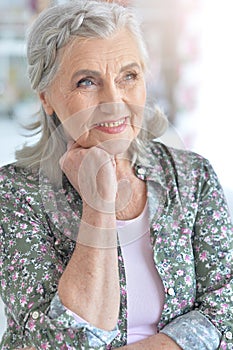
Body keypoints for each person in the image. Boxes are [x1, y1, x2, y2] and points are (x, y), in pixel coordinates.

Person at [0, 1, 232, 349]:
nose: (114, 101)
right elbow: (60, 341)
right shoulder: (15, 193)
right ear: (46, 97)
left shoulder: (192, 176)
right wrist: (98, 205)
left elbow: (225, 311)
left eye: (128, 76)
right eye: (87, 81)